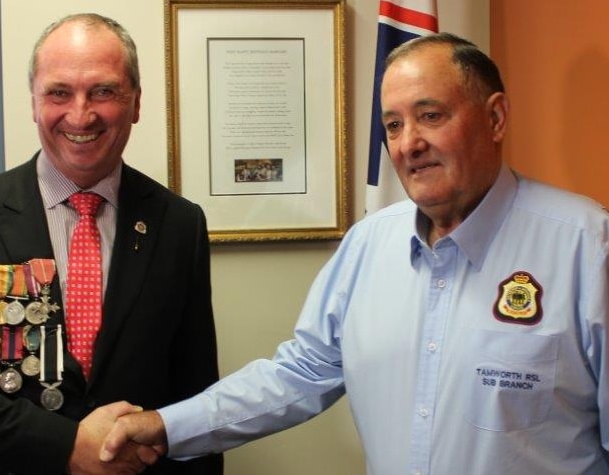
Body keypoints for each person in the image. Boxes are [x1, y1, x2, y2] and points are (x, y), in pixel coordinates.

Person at [99, 32, 609, 474]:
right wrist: (165, 426)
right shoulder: (369, 243)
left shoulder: (587, 246)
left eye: (430, 116)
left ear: (495, 117)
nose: (409, 144)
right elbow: (298, 374)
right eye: (392, 125)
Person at [0, 13, 222, 475]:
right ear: (34, 102)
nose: (81, 114)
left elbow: (195, 392)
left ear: (136, 103)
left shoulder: (179, 224)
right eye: (59, 92)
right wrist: (65, 445)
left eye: (104, 91)